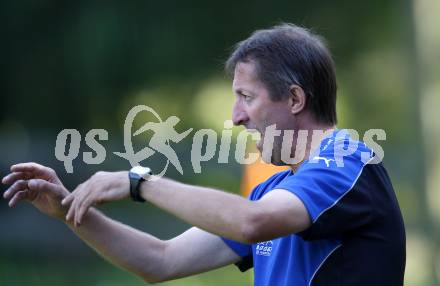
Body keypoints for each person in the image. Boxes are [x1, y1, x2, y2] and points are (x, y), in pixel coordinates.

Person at [2, 23, 405, 285]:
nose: (236, 117)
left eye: (246, 97)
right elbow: (160, 260)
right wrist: (71, 214)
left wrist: (139, 183)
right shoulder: (276, 190)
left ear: (295, 98)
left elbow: (251, 222)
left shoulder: (346, 161)